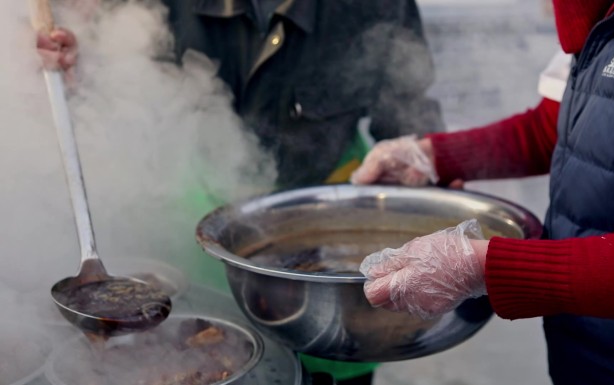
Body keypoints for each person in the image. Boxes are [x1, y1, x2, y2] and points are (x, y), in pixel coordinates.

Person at [37, 0, 444, 383]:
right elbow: (109, 58)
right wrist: (81, 62)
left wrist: (434, 165)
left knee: (329, 368)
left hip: (329, 238)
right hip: (197, 222)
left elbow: (407, 104)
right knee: (195, 358)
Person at [351, 1, 614, 384]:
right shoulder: (599, 12)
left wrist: (482, 268)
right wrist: (432, 157)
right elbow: (551, 127)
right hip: (596, 344)